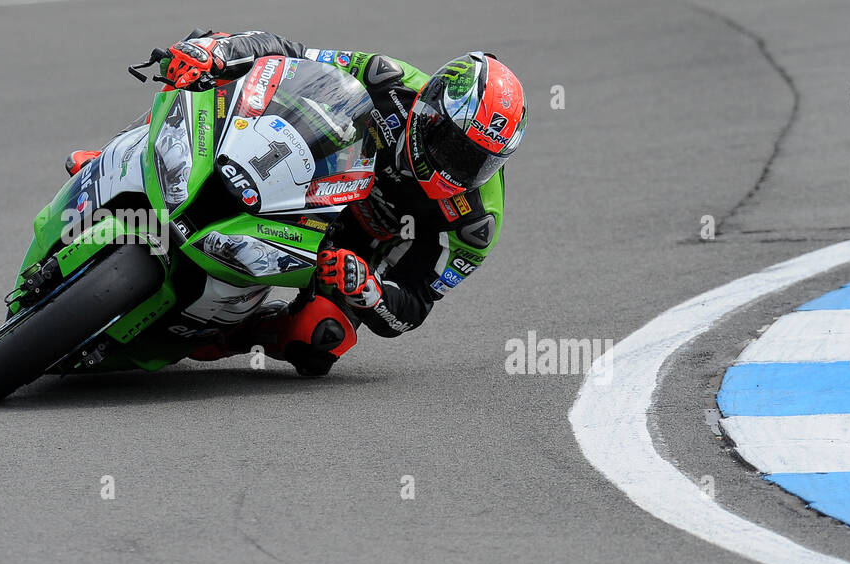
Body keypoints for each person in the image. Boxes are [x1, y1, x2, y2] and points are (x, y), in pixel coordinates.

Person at [68, 30, 527, 375]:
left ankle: (233, 332)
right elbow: (290, 56)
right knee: (198, 71)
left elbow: (413, 307)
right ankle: (123, 152)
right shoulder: (389, 79)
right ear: (427, 106)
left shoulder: (475, 225)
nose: (456, 167)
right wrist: (218, 51)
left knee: (322, 340)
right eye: (452, 145)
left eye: (477, 162)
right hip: (307, 174)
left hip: (342, 251)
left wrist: (366, 287)